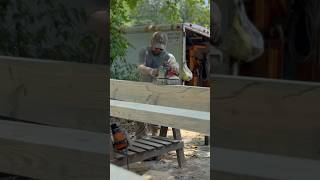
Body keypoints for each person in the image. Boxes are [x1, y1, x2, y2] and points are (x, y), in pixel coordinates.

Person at [135, 31, 180, 138]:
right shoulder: (144, 51)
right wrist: (152, 71)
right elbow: (140, 67)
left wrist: (174, 67)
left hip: (158, 90)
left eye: (161, 48)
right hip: (144, 87)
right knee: (140, 114)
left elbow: (177, 71)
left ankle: (156, 137)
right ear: (151, 43)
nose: (158, 49)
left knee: (156, 115)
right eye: (156, 47)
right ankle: (141, 137)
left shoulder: (168, 56)